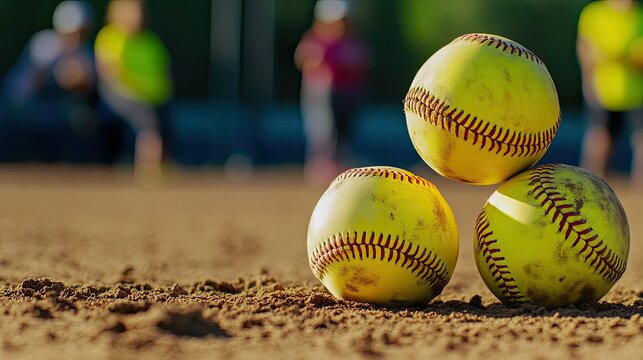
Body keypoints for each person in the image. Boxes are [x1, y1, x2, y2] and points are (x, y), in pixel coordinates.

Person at [1, 1, 100, 161]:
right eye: (72, 32)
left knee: (82, 119)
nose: (76, 37)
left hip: (56, 110)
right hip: (23, 107)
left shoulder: (84, 52)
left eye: (81, 32)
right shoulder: (45, 45)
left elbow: (87, 88)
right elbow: (24, 92)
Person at [95, 0, 172, 184]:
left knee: (164, 121)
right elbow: (109, 73)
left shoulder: (151, 42)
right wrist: (136, 92)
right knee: (147, 120)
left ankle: (164, 163)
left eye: (137, 13)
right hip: (121, 95)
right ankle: (148, 167)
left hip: (153, 98)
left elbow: (163, 72)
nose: (134, 18)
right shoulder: (110, 37)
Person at [295, 0, 369, 184]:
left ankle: (338, 164)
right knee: (324, 129)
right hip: (324, 93)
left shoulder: (353, 41)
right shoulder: (316, 40)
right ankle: (321, 164)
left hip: (349, 93)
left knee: (344, 131)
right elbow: (303, 60)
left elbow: (364, 61)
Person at [577, 0, 643, 184]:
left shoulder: (639, 16)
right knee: (600, 139)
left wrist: (627, 58)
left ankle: (640, 192)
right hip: (603, 90)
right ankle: (588, 185)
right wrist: (588, 83)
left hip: (637, 93)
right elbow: (585, 51)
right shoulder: (594, 14)